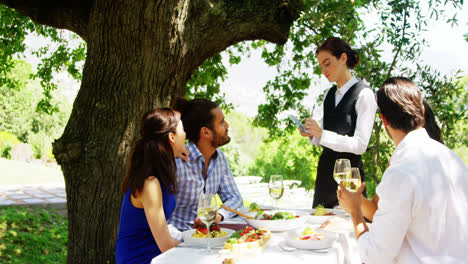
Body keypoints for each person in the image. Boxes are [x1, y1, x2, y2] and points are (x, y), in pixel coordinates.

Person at [338, 77, 468, 263]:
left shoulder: (401, 171)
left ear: (383, 120)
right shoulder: (454, 160)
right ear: (422, 111)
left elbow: (375, 256)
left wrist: (355, 212)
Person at [299, 37, 377, 208]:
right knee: (319, 231)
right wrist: (313, 135)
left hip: (350, 179)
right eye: (320, 66)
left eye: (327, 64)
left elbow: (360, 145)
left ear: (343, 58)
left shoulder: (364, 94)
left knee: (348, 231)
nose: (323, 70)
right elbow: (326, 139)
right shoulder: (329, 94)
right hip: (325, 178)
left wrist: (322, 133)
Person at [116, 108, 187, 264]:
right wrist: (196, 246)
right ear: (172, 137)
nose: (186, 134)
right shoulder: (150, 185)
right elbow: (167, 245)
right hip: (141, 259)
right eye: (183, 130)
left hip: (158, 256)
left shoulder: (161, 172)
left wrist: (175, 152)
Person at [168, 98, 243, 231]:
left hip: (206, 239)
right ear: (206, 132)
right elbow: (159, 218)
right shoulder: (176, 163)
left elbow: (234, 198)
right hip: (177, 242)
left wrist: (218, 215)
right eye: (221, 122)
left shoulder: (220, 158)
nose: (227, 125)